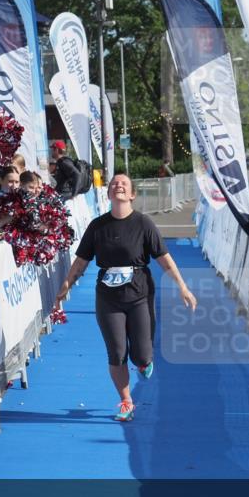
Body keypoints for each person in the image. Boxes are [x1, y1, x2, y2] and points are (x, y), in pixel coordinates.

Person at [54, 174, 197, 422]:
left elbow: (164, 259)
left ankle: (143, 363)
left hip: (139, 295)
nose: (118, 185)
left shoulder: (144, 224)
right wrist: (66, 285)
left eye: (124, 184)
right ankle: (126, 401)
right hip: (108, 298)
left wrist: (182, 287)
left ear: (132, 195)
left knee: (141, 354)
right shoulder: (97, 226)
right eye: (114, 184)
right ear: (108, 194)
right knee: (117, 352)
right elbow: (81, 261)